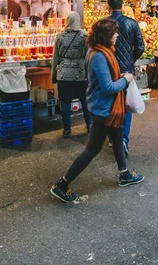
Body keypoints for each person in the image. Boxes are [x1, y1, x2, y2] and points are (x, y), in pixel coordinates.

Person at [50, 18, 144, 203]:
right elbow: (108, 87)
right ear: (105, 36)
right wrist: (126, 79)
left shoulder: (100, 51)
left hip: (109, 108)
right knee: (92, 150)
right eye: (114, 33)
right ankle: (62, 184)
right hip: (103, 109)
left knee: (117, 139)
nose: (117, 35)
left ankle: (124, 174)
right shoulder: (99, 56)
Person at [107, 0, 145, 153]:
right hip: (126, 71)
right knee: (126, 104)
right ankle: (123, 139)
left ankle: (111, 138)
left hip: (108, 68)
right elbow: (141, 47)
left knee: (110, 103)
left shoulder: (104, 24)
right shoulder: (132, 23)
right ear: (122, 5)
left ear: (108, 6)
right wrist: (130, 59)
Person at [52, 12, 92, 138]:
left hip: (64, 73)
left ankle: (67, 130)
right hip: (81, 73)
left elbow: (55, 57)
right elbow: (88, 56)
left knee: (65, 101)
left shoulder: (60, 36)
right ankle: (90, 125)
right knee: (85, 100)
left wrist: (53, 74)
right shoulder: (85, 36)